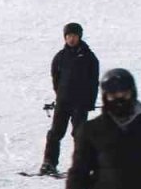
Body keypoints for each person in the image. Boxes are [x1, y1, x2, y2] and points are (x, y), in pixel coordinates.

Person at [39, 23, 100, 176]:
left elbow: (93, 82)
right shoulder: (60, 57)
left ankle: (81, 165)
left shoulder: (89, 57)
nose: (71, 39)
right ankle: (49, 163)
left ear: (79, 37)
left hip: (81, 103)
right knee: (55, 133)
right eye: (69, 36)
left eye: (74, 36)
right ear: (65, 37)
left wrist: (90, 102)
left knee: (80, 134)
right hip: (63, 102)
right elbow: (56, 78)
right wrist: (60, 94)